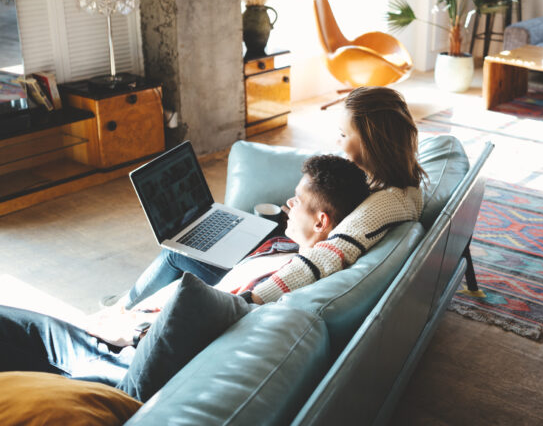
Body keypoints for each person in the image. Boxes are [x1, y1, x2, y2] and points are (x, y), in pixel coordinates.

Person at [0, 155, 370, 385]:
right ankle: (122, 305)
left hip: (126, 356)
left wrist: (131, 328)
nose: (289, 203)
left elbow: (197, 321)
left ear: (322, 221)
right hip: (143, 332)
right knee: (175, 252)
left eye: (298, 201)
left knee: (15, 328)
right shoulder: (300, 253)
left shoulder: (277, 284)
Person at [113, 86, 426, 309]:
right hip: (280, 249)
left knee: (176, 254)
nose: (336, 141)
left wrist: (252, 299)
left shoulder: (387, 203)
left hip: (267, 272)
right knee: (197, 239)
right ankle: (136, 302)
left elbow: (328, 254)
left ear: (372, 142)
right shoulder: (392, 184)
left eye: (344, 135)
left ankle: (125, 309)